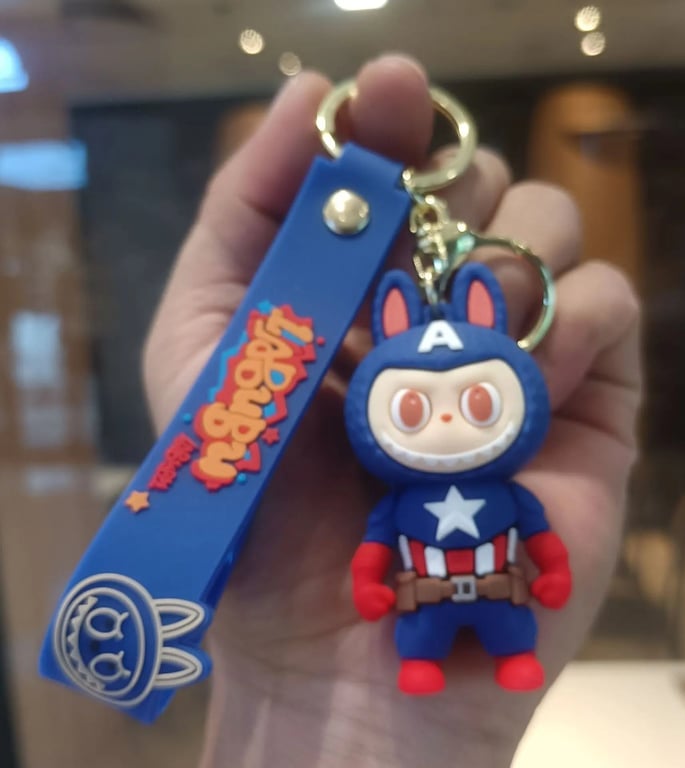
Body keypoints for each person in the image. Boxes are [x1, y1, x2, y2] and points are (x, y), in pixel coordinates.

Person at [143, 54, 641, 768]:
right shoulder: (396, 504)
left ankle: (505, 653)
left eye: (477, 401)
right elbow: (377, 547)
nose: (447, 424)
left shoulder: (507, 493)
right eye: (411, 409)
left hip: (500, 592)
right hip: (420, 597)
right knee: (422, 637)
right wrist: (359, 603)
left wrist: (553, 570)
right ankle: (430, 657)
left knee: (508, 630)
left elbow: (535, 530)